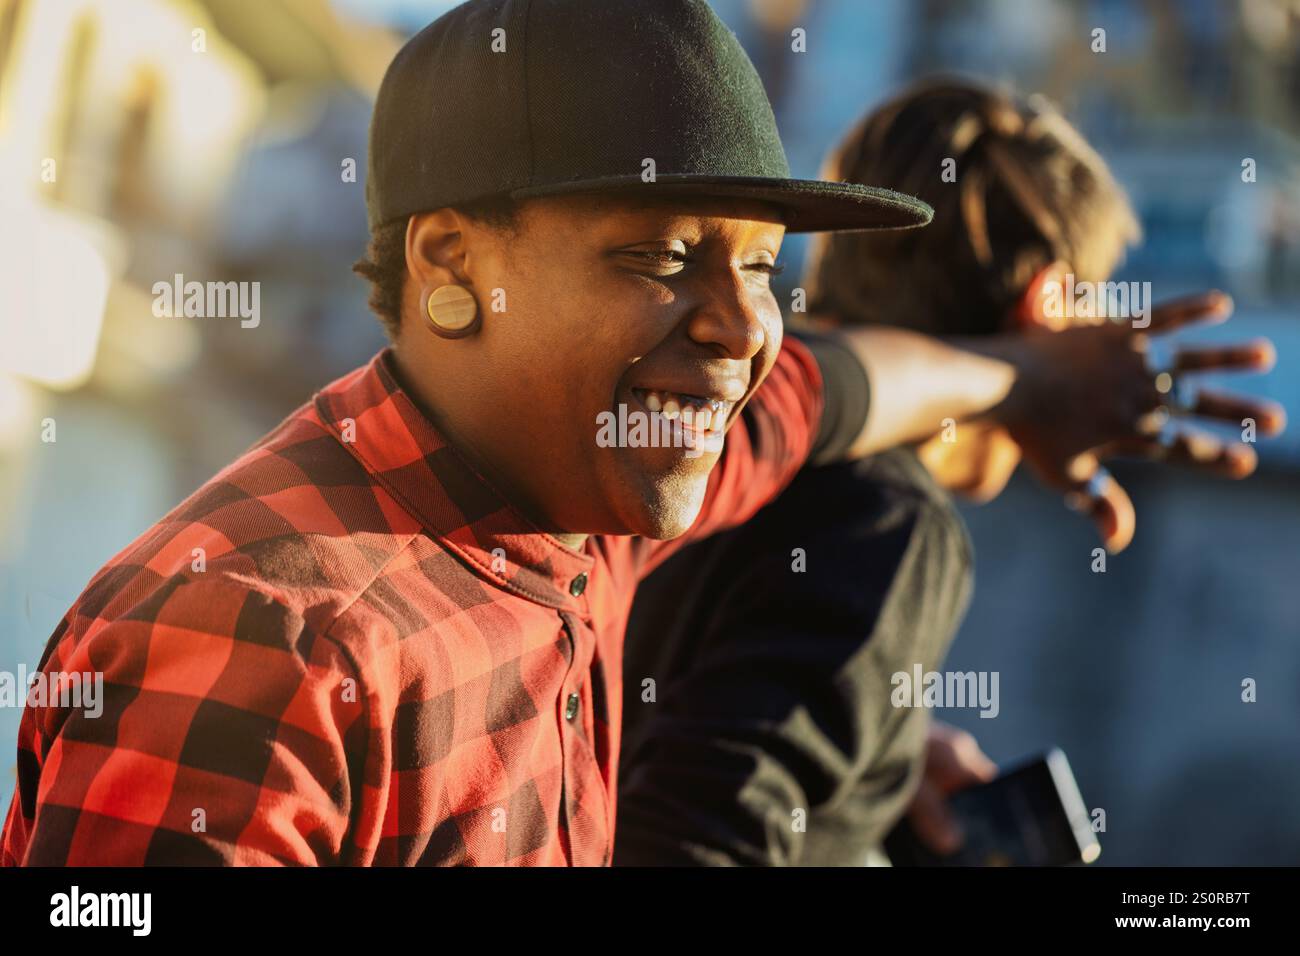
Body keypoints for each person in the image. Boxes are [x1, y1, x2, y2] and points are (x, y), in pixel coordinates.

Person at [1, 4, 1279, 867]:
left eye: (766, 266)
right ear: (452, 264)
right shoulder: (258, 640)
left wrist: (1019, 379)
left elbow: (828, 391)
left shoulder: (577, 507)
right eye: (663, 256)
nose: (741, 326)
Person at [615, 78, 1285, 866]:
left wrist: (881, 753)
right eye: (1088, 305)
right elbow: (687, 843)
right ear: (1048, 306)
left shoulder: (707, 441)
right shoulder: (891, 523)